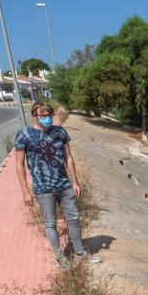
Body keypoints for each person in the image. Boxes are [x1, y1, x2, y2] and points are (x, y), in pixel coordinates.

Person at [14, 102, 101, 267]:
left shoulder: (60, 132)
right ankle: (61, 258)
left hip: (64, 185)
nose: (47, 119)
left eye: (49, 116)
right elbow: (19, 165)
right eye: (43, 116)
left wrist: (75, 181)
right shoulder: (24, 135)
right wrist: (25, 191)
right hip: (43, 189)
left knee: (74, 218)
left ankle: (80, 251)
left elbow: (69, 157)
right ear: (35, 116)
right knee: (50, 223)